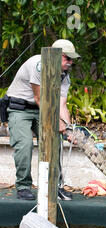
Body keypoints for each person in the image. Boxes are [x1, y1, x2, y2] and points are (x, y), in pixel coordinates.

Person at [5, 39, 80, 201]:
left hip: (43, 109)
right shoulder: (37, 65)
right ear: (55, 55)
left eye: (72, 59)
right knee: (24, 144)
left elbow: (61, 104)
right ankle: (23, 186)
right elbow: (40, 98)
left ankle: (55, 186)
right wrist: (58, 123)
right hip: (20, 108)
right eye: (67, 58)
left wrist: (68, 128)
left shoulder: (64, 75)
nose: (70, 62)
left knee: (54, 142)